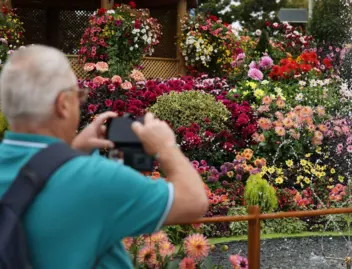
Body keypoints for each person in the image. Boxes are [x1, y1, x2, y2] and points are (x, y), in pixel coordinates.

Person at [0, 45, 208, 268]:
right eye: (77, 96)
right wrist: (166, 146)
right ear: (62, 105)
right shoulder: (94, 179)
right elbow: (193, 201)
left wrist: (72, 150)